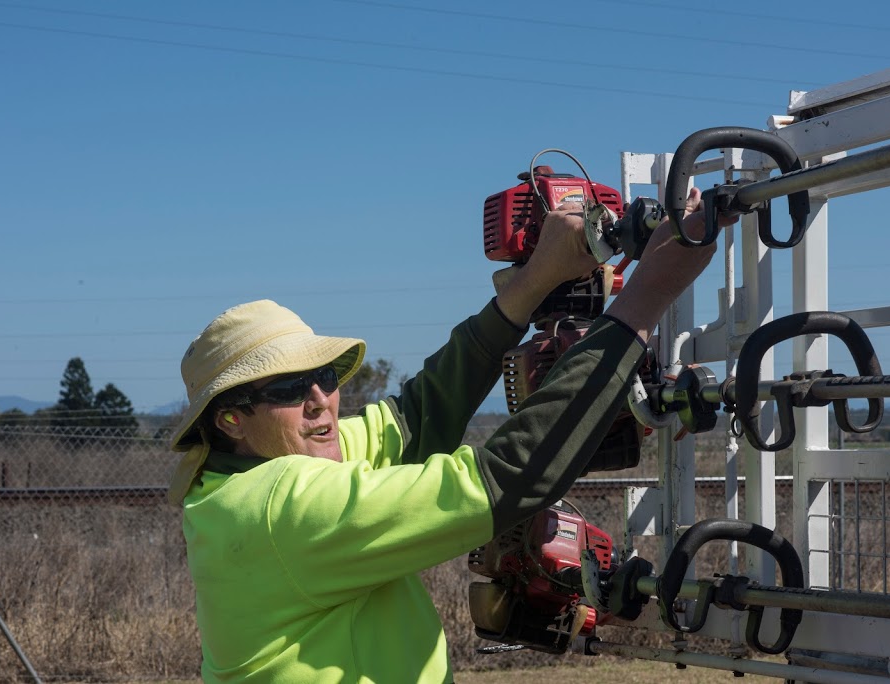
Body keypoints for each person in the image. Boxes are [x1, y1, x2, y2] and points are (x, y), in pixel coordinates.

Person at [168, 187, 731, 683]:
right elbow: (507, 478)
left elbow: (417, 417)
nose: (321, 399)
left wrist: (536, 279)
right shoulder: (279, 506)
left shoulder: (264, 466)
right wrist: (645, 298)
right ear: (231, 418)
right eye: (290, 388)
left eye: (323, 376)